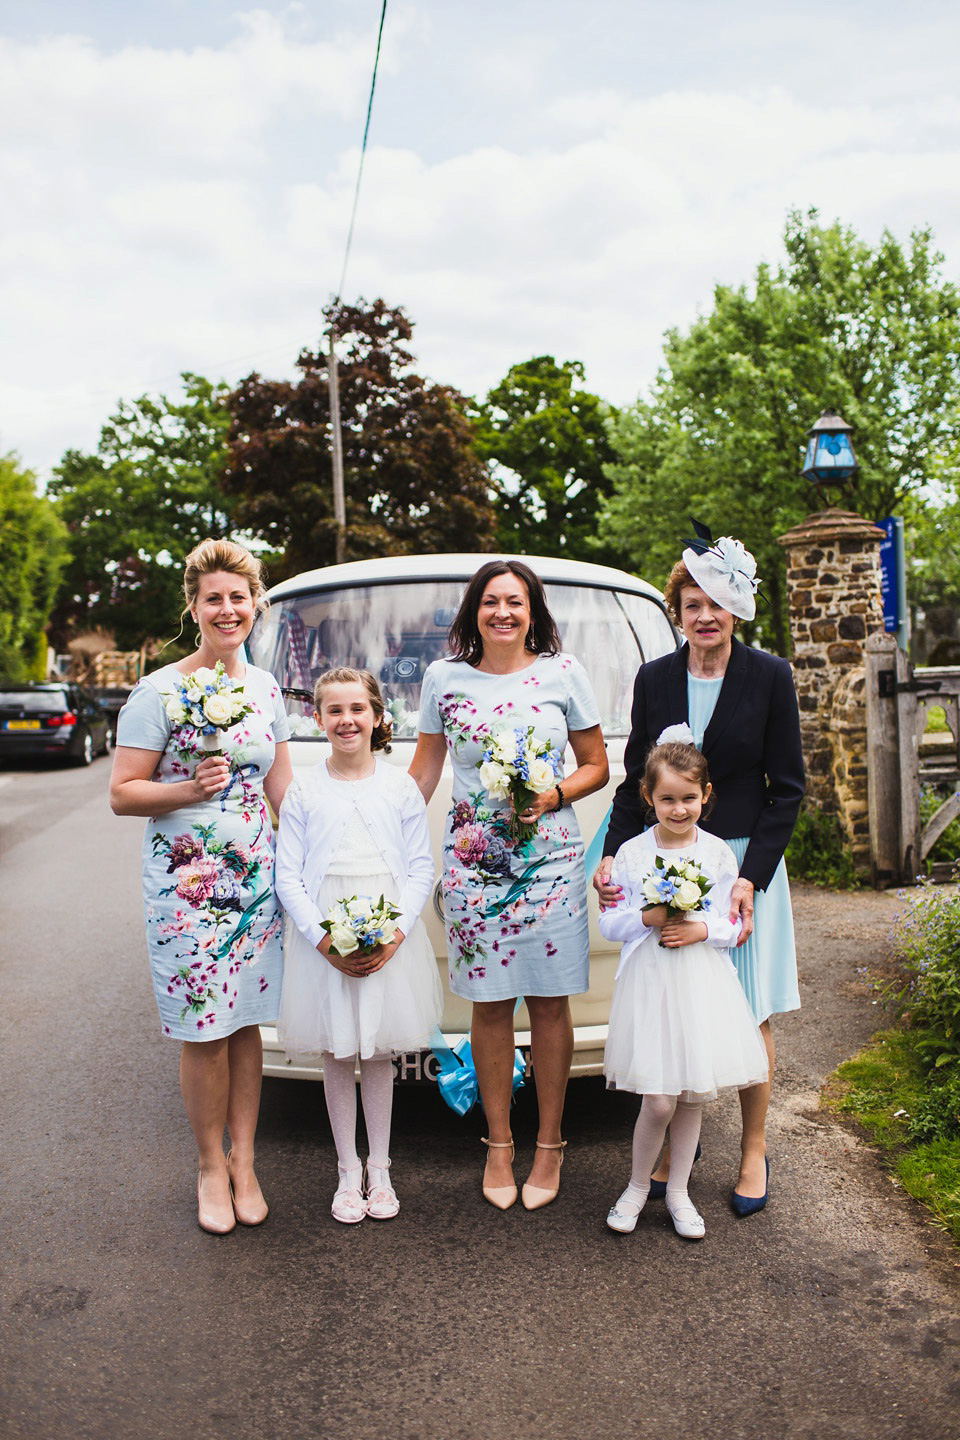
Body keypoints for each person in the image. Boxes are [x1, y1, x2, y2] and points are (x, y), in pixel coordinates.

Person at [594, 533, 804, 1215]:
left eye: (716, 603)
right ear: (677, 610)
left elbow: (788, 789)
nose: (704, 616)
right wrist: (610, 855)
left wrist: (752, 876)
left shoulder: (770, 676)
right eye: (692, 604)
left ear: (736, 609)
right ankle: (671, 1147)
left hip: (741, 863)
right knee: (674, 998)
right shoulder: (654, 677)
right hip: (667, 859)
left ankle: (751, 1147)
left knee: (750, 1009)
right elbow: (634, 784)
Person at [410, 559, 608, 1211]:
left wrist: (552, 794)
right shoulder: (443, 679)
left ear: (532, 612)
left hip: (550, 862)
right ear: (474, 612)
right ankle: (499, 1143)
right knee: (489, 1006)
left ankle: (549, 1144)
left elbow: (597, 766)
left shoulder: (564, 673)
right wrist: (368, 829)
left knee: (550, 1004)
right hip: (474, 867)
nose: (502, 612)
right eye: (491, 601)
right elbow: (424, 774)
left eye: (514, 602)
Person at [110, 539, 292, 1235]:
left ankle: (246, 1159)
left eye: (239, 597)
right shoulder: (157, 690)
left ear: (256, 606)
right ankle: (209, 1166)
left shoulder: (266, 688)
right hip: (187, 891)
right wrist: (188, 786)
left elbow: (283, 791)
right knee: (205, 1030)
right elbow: (123, 793)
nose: (227, 609)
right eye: (213, 597)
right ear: (193, 606)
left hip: (256, 885)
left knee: (246, 1021)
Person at [275, 668, 441, 1224]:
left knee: (378, 1051)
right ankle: (347, 1168)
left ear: (377, 717)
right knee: (338, 1050)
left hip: (385, 928)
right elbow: (288, 877)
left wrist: (394, 936)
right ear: (318, 719)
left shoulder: (398, 787)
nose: (347, 720)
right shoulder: (303, 788)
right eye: (334, 711)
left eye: (357, 710)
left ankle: (381, 1167)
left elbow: (420, 867)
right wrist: (322, 939)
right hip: (325, 931)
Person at [601, 731, 770, 1240]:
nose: (679, 809)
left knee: (692, 1092)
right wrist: (647, 916)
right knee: (658, 1098)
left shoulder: (718, 854)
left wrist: (701, 928)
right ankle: (635, 1186)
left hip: (699, 979)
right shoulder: (630, 853)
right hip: (649, 981)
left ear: (706, 795)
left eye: (689, 798)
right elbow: (611, 924)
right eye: (668, 799)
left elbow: (731, 926)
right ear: (648, 799)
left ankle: (678, 1192)